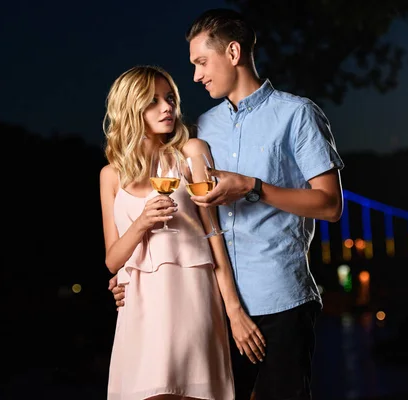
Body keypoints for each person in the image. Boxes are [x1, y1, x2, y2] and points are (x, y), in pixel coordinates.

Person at [111, 9, 346, 400]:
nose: (196, 76)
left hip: (280, 300)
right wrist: (128, 277)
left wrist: (252, 187)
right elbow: (187, 220)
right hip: (211, 306)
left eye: (202, 62)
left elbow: (330, 205)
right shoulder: (200, 129)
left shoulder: (297, 114)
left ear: (233, 52)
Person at [100, 65, 266, 400]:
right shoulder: (110, 175)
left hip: (191, 295)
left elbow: (213, 234)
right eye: (154, 101)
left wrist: (233, 311)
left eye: (170, 98)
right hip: (139, 304)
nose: (167, 107)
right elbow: (113, 260)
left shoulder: (190, 152)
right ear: (130, 109)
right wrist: (143, 222)